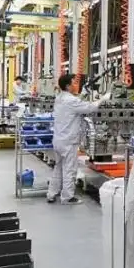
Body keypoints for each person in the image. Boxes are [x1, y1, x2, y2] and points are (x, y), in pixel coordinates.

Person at [48, 74, 109, 204]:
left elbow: (75, 105)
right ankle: (67, 197)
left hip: (58, 139)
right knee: (69, 169)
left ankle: (51, 194)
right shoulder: (71, 101)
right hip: (68, 141)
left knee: (58, 168)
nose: (75, 85)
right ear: (68, 86)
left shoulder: (59, 98)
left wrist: (83, 94)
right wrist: (102, 99)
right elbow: (89, 108)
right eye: (73, 83)